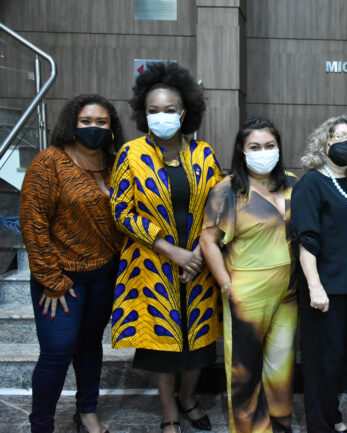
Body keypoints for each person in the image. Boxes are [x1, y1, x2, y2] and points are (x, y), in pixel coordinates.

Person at [109, 62, 223, 433]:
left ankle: (188, 398)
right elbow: (121, 211)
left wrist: (199, 254)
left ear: (184, 112)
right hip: (152, 264)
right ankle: (169, 411)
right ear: (143, 114)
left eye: (169, 109)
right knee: (162, 344)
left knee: (198, 342)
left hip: (200, 263)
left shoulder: (204, 154)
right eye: (153, 110)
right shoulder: (130, 154)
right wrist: (169, 250)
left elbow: (219, 206)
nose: (161, 116)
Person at [20, 94, 125, 433]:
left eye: (101, 122)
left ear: (112, 127)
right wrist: (51, 279)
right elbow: (33, 223)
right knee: (57, 351)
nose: (94, 127)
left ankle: (87, 412)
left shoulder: (116, 164)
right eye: (86, 121)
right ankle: (41, 425)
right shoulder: (49, 162)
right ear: (72, 124)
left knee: (90, 345)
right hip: (61, 278)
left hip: (104, 275)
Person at [200, 117, 298, 432]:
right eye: (254, 147)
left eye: (269, 145)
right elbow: (208, 241)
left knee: (281, 365)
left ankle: (280, 425)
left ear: (279, 148)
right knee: (245, 370)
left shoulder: (293, 184)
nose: (263, 152)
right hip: (246, 293)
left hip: (288, 292)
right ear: (242, 151)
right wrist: (226, 285)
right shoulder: (227, 190)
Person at [291, 115, 347, 433]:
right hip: (323, 290)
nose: (346, 143)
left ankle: (333, 418)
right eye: (339, 136)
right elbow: (306, 239)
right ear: (324, 142)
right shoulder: (311, 183)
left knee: (337, 360)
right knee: (321, 364)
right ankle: (320, 426)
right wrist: (315, 286)